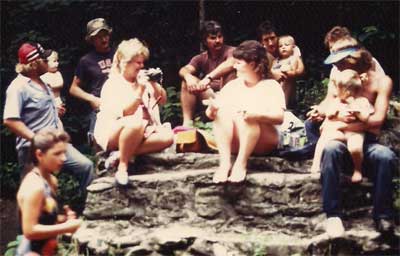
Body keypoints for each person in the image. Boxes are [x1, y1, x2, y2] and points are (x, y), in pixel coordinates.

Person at [310, 45, 396, 237]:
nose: (340, 72)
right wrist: (322, 113)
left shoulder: (381, 83)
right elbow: (328, 113)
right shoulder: (341, 80)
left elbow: (375, 124)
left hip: (365, 140)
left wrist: (339, 125)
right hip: (340, 140)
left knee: (385, 156)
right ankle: (333, 216)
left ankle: (383, 216)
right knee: (331, 148)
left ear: (362, 73)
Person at [3, 42, 94, 205]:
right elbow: (10, 120)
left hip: (56, 144)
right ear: (34, 64)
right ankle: (26, 229)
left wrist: (55, 113)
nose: (49, 62)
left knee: (85, 166)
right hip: (32, 150)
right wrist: (36, 139)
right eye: (44, 59)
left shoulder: (43, 82)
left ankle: (86, 212)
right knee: (35, 196)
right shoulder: (18, 87)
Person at [94, 38, 173, 186]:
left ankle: (122, 154)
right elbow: (125, 113)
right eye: (138, 62)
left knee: (168, 137)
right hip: (114, 131)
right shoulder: (112, 84)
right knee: (137, 123)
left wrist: (154, 83)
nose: (142, 66)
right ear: (125, 62)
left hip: (144, 132)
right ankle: (123, 167)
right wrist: (140, 91)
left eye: (143, 62)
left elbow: (162, 100)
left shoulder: (143, 80)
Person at [205, 40, 285, 183]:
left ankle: (241, 164)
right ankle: (225, 164)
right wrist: (212, 110)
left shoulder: (271, 86)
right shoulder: (233, 86)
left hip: (264, 140)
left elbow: (279, 117)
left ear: (253, 65)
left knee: (247, 117)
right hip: (238, 139)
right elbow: (211, 115)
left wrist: (257, 115)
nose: (234, 66)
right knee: (224, 113)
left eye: (238, 63)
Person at [16, 128, 82, 256]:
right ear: (39, 155)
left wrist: (64, 220)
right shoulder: (35, 186)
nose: (63, 158)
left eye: (64, 153)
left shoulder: (52, 180)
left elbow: (45, 219)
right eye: (57, 154)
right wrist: (68, 227)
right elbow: (29, 230)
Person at [310, 69, 374, 184]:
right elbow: (329, 114)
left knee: (355, 148)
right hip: (338, 131)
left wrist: (354, 107)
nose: (337, 92)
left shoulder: (362, 101)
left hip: (354, 132)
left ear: (348, 92)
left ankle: (357, 169)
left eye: (340, 89)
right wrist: (336, 112)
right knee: (324, 137)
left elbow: (365, 118)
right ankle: (316, 163)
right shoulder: (337, 101)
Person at [179, 20, 236, 127]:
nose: (218, 41)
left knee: (230, 72)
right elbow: (184, 69)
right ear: (205, 41)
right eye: (213, 38)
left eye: (220, 36)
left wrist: (208, 78)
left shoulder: (231, 51)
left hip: (228, 97)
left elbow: (231, 63)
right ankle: (187, 124)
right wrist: (188, 76)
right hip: (210, 96)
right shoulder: (201, 58)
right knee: (186, 82)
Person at [69, 18, 114, 140]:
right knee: (99, 144)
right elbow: (73, 89)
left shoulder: (120, 55)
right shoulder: (86, 61)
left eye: (105, 35)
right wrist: (91, 98)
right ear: (91, 40)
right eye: (99, 37)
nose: (104, 39)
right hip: (100, 108)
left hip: (121, 105)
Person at [256, 20, 304, 109]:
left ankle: (283, 108)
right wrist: (272, 74)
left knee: (288, 74)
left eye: (272, 38)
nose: (270, 43)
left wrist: (291, 73)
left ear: (277, 37)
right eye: (266, 40)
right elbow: (258, 76)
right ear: (261, 42)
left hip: (287, 84)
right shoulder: (261, 54)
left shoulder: (290, 47)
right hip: (267, 87)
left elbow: (301, 70)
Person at [271, 35, 300, 107]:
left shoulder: (293, 59)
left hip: (286, 84)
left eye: (286, 45)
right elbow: (271, 70)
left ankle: (283, 105)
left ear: (293, 47)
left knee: (287, 81)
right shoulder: (276, 60)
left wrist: (285, 71)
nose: (283, 47)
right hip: (275, 84)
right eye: (280, 46)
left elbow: (293, 71)